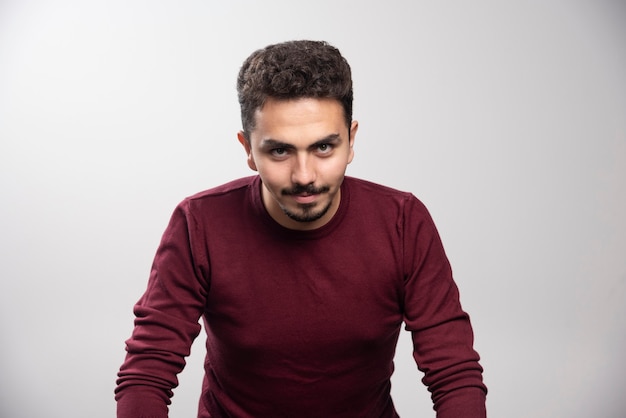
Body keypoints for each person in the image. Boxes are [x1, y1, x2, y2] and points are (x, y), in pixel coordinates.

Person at [115, 40, 487, 418]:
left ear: (351, 140)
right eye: (280, 151)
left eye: (324, 147)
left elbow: (454, 374)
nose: (304, 176)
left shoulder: (403, 223)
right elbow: (147, 373)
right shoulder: (199, 224)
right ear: (247, 149)